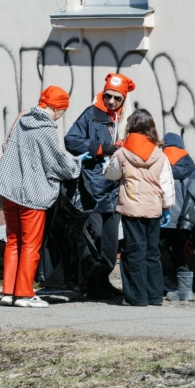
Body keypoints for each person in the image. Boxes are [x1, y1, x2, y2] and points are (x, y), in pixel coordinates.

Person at [0, 86, 90, 308]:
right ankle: (25, 294)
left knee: (13, 241)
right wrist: (77, 163)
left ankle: (8, 292)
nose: (60, 116)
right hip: (32, 192)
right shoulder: (47, 128)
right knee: (30, 244)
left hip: (9, 188)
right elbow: (56, 161)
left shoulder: (22, 118)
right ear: (56, 108)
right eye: (61, 112)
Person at [65, 73, 135, 299]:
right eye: (108, 96)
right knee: (94, 239)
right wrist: (99, 148)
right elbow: (71, 140)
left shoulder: (127, 119)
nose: (112, 102)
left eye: (117, 98)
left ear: (124, 99)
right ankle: (93, 284)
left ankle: (102, 281)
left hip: (115, 190)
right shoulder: (91, 114)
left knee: (110, 241)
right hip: (93, 188)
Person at [105, 109, 174, 307]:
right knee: (152, 252)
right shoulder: (160, 155)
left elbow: (111, 175)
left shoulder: (122, 153)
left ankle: (136, 297)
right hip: (153, 209)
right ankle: (154, 296)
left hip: (131, 209)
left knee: (135, 251)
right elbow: (167, 184)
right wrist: (166, 207)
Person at [158, 133, 195, 300]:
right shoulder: (190, 164)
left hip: (162, 217)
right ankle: (185, 292)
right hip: (182, 222)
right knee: (177, 252)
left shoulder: (159, 161)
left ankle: (154, 289)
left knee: (154, 253)